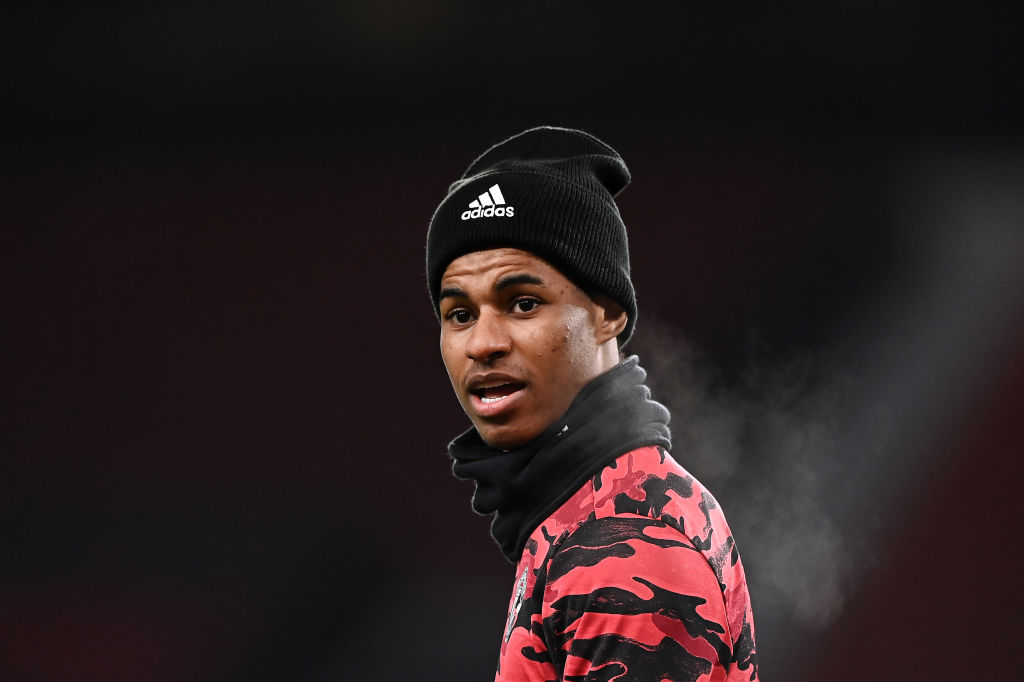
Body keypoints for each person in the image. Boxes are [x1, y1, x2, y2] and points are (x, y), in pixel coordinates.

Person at [426, 126, 759, 681]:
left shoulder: (622, 544)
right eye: (460, 314)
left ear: (608, 314)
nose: (482, 343)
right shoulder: (583, 510)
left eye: (523, 303)